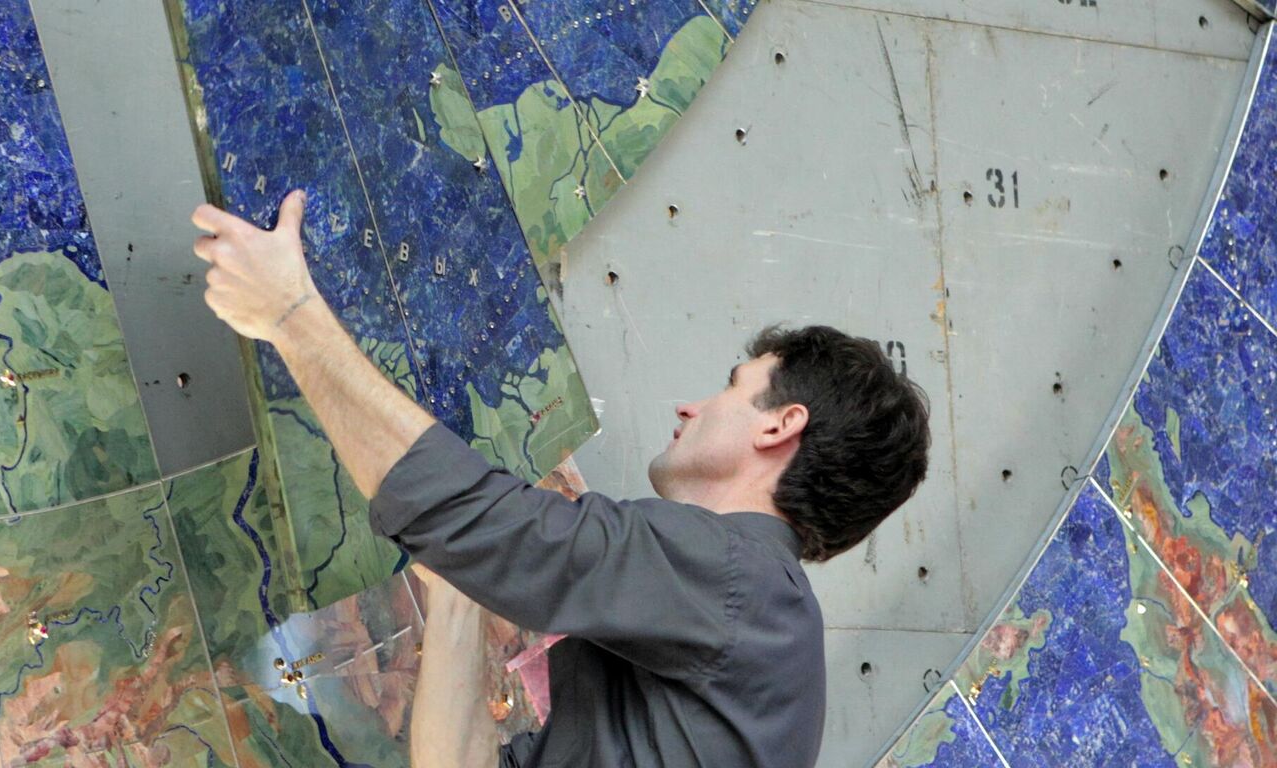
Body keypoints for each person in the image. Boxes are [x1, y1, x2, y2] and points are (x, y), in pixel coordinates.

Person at [190, 190, 932, 767]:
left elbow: (478, 521)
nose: (691, 405)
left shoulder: (736, 576)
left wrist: (290, 314)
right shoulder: (745, 617)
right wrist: (458, 595)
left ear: (779, 425)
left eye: (732, 388)